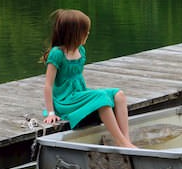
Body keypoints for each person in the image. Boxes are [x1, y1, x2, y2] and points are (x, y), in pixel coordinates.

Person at [41, 9, 136, 148]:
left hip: (79, 95)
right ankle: (120, 141)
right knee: (101, 98)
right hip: (65, 101)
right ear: (74, 33)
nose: (88, 34)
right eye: (85, 31)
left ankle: (126, 140)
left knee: (119, 95)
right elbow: (48, 85)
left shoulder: (81, 50)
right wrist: (51, 113)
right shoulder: (57, 54)